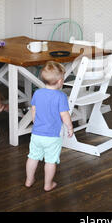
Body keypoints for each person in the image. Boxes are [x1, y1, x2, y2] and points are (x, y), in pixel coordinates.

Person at [25, 61, 74, 192]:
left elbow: (34, 110)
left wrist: (36, 122)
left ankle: (29, 180)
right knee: (51, 161)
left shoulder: (37, 93)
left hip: (36, 134)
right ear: (59, 81)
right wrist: (70, 128)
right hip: (52, 136)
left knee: (32, 157)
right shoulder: (61, 96)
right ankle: (48, 184)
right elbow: (65, 116)